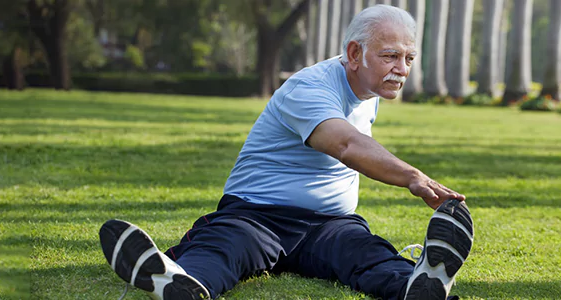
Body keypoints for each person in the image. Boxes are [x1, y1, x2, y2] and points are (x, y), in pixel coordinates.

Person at [98, 5, 473, 300]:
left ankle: (418, 285)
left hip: (329, 224)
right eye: (391, 56)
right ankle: (181, 281)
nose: (401, 69)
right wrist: (413, 177)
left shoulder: (368, 92)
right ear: (355, 53)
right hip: (257, 216)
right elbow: (344, 144)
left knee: (366, 254)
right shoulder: (309, 87)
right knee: (224, 249)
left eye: (408, 58)